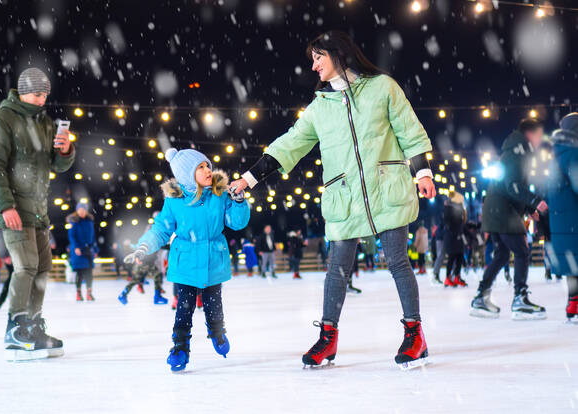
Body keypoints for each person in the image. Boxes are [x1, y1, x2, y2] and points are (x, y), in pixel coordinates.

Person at [230, 31, 436, 369]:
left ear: (338, 55)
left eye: (317, 57)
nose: (313, 66)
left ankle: (415, 334)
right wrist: (249, 178)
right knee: (337, 269)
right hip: (345, 198)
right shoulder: (319, 108)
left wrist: (422, 172)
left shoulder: (382, 88)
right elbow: (289, 144)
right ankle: (328, 338)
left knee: (398, 262)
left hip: (386, 188)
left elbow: (409, 130)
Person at [123, 148, 250, 372]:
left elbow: (236, 222)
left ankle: (218, 332)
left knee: (214, 303)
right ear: (186, 175)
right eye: (200, 167)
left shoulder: (220, 193)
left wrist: (238, 201)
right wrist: (143, 246)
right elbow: (161, 228)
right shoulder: (174, 200)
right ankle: (180, 347)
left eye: (207, 165)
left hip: (213, 258)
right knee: (184, 307)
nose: (207, 170)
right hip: (186, 261)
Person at [0, 67, 75, 361]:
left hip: (38, 210)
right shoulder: (3, 121)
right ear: (23, 91)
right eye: (37, 94)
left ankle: (33, 325)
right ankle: (16, 327)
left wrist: (65, 151)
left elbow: (56, 166)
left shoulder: (46, 123)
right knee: (25, 266)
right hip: (14, 208)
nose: (41, 99)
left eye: (45, 94)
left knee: (43, 267)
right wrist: (5, 205)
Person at [471, 118, 549, 320]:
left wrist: (528, 209)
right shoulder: (516, 154)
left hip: (497, 210)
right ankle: (519, 299)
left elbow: (511, 188)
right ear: (529, 134)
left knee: (503, 255)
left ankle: (481, 296)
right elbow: (512, 187)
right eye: (539, 135)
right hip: (502, 212)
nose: (540, 139)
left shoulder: (515, 152)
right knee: (522, 251)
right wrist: (534, 201)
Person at [546, 112, 578, 322]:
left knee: (572, 262)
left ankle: (573, 302)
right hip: (574, 217)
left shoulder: (554, 156)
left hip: (561, 220)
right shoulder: (573, 154)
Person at [67, 203, 96, 301]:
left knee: (89, 273)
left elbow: (92, 236)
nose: (81, 211)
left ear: (86, 210)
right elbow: (72, 236)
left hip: (88, 250)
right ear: (77, 210)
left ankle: (89, 293)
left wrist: (95, 249)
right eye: (80, 210)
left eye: (83, 209)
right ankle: (78, 294)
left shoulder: (89, 221)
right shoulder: (74, 222)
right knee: (80, 273)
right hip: (78, 251)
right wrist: (75, 247)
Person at [443, 192, 467, 287]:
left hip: (459, 235)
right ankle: (448, 278)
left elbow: (462, 221)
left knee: (460, 257)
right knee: (452, 257)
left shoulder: (459, 207)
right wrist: (453, 232)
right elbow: (447, 222)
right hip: (452, 236)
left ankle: (457, 276)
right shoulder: (448, 208)